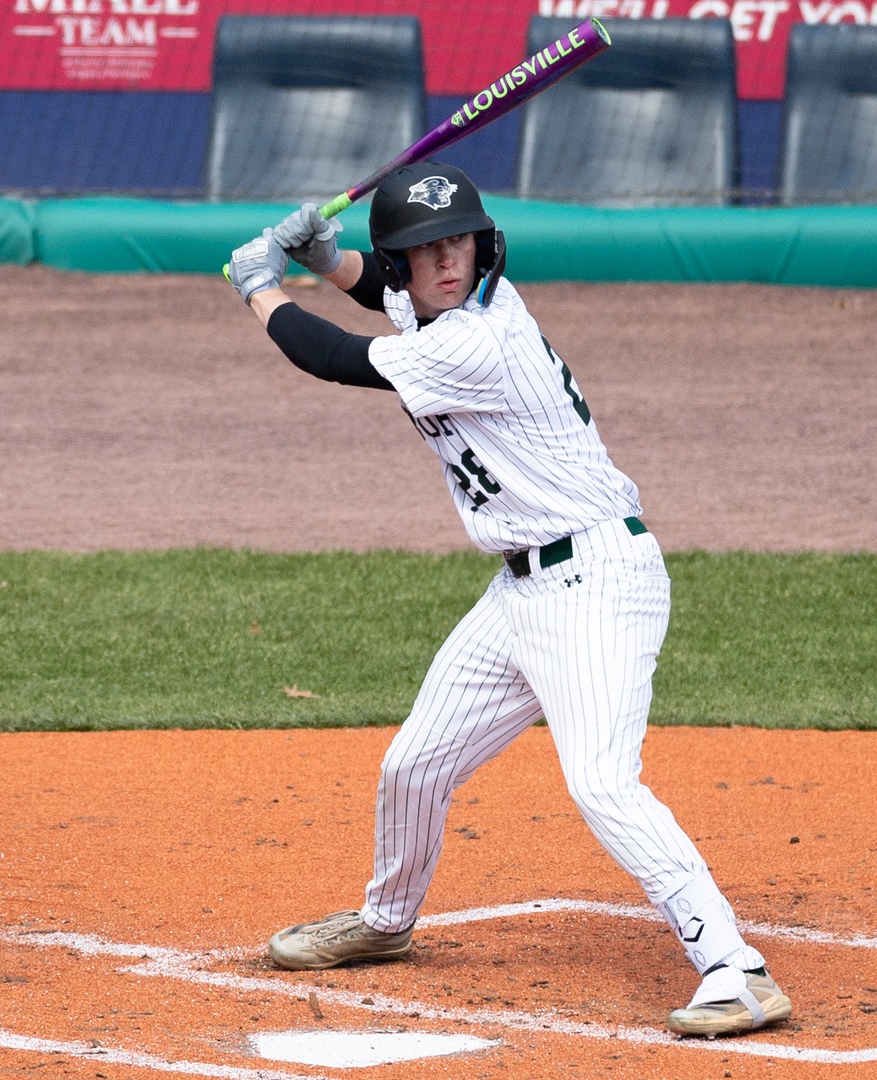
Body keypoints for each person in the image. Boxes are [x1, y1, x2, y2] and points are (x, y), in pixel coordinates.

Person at [226, 162, 791, 1038]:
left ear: (482, 244)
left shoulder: (478, 340)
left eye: (457, 241)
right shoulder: (439, 309)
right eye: (426, 249)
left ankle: (736, 970)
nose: (446, 260)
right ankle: (385, 923)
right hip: (519, 590)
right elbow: (389, 295)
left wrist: (261, 286)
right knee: (415, 766)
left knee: (602, 783)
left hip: (597, 582)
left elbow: (334, 356)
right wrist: (329, 260)